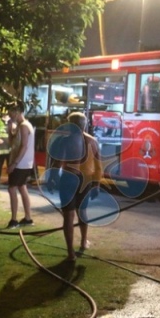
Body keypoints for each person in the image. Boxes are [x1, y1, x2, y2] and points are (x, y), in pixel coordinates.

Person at [51, 112, 102, 261]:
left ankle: (70, 252)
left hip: (68, 179)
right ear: (84, 124)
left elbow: (56, 163)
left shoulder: (64, 141)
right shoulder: (92, 141)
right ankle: (83, 241)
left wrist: (53, 179)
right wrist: (96, 184)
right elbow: (98, 167)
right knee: (82, 212)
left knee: (68, 216)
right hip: (84, 181)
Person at [6, 102, 35, 229]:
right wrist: (9, 131)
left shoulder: (24, 126)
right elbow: (13, 142)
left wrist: (14, 163)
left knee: (12, 189)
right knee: (22, 188)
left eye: (11, 112)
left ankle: (14, 220)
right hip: (24, 163)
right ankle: (27, 218)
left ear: (17, 111)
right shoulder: (21, 125)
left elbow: (23, 146)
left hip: (21, 164)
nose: (9, 114)